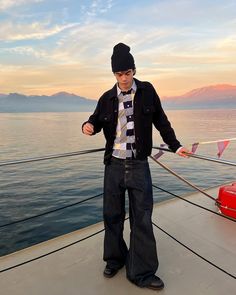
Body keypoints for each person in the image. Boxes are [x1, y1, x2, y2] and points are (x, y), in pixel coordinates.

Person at [82, 43, 189, 290]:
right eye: (119, 74)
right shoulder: (106, 98)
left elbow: (162, 121)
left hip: (139, 164)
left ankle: (142, 272)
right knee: (112, 216)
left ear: (134, 70)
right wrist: (87, 126)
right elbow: (94, 121)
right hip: (114, 165)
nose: (124, 78)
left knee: (142, 218)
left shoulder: (148, 91)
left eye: (128, 73)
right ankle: (115, 259)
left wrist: (176, 146)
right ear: (114, 75)